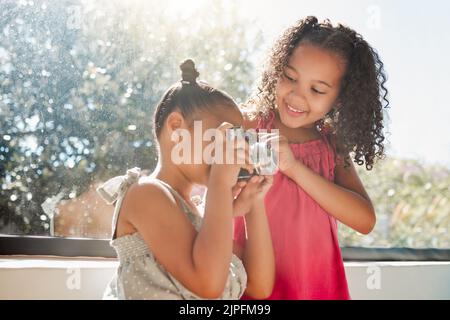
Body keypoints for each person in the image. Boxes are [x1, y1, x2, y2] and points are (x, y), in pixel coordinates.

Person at [234, 16, 389, 299]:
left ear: (340, 99)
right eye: (290, 77)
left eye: (317, 90)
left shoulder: (331, 144)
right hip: (250, 286)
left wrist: (294, 168)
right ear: (276, 71)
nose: (296, 95)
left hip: (314, 288)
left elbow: (364, 220)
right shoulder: (247, 124)